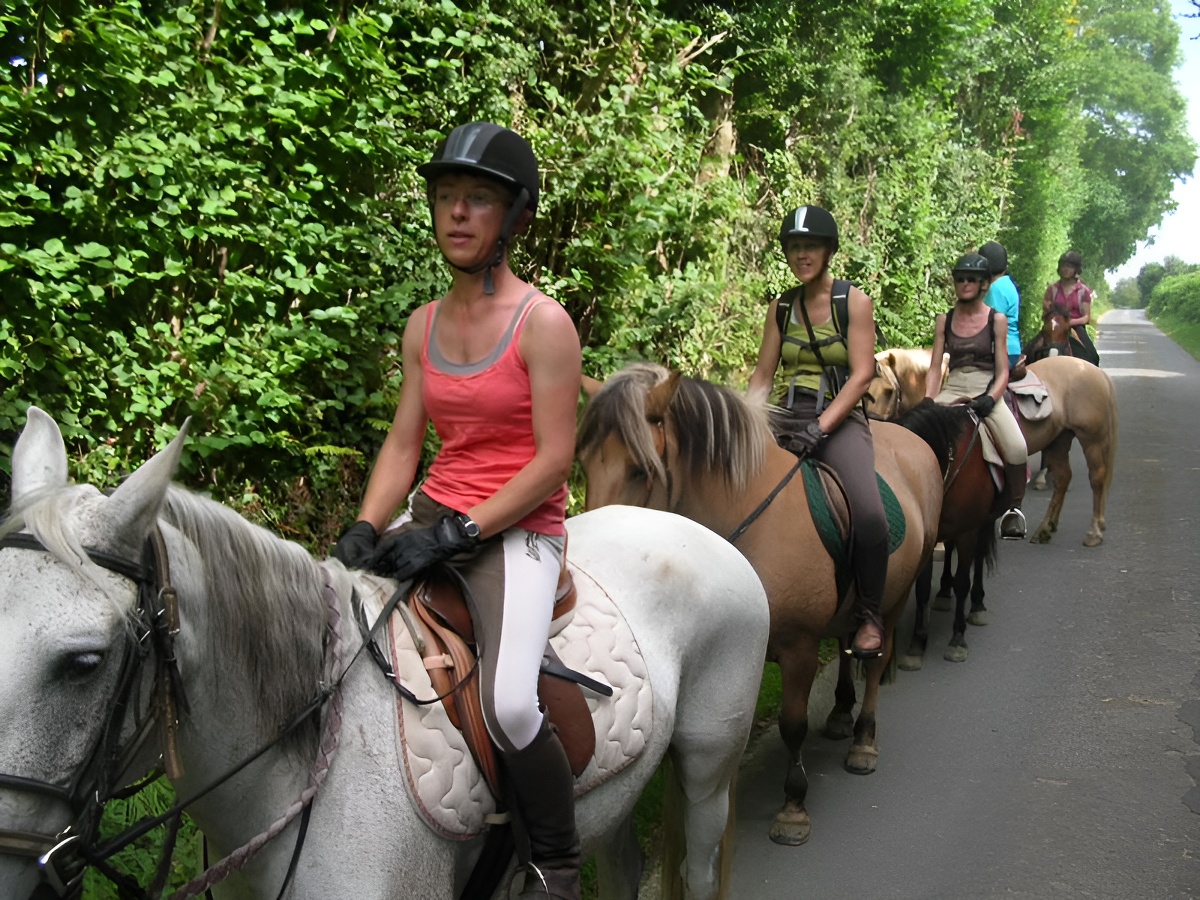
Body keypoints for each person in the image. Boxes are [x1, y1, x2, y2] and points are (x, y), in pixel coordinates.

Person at [333, 122, 584, 899]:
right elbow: (405, 445)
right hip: (433, 518)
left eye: (478, 199)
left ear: (516, 217)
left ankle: (557, 861)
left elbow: (553, 461)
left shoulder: (544, 323)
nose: (457, 213)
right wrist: (366, 528)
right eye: (446, 197)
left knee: (510, 703)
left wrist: (463, 530)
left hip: (518, 533)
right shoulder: (423, 324)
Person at [747, 205, 889, 659]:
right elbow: (763, 376)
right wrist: (745, 422)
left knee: (869, 514)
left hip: (839, 417)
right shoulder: (782, 306)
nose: (801, 254)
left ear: (828, 251)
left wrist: (820, 428)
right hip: (782, 414)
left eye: (810, 246)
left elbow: (863, 374)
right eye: (794, 247)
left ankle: (868, 613)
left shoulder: (854, 303)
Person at [926, 253, 1028, 539]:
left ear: (984, 284)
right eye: (960, 278)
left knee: (1017, 446)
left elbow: (1002, 371)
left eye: (972, 279)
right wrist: (928, 400)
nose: (965, 284)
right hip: (953, 385)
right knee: (920, 437)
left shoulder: (996, 320)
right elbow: (935, 368)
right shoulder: (943, 320)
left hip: (986, 387)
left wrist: (991, 398)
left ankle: (1013, 510)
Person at [1042, 250, 1100, 365]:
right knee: (1030, 350)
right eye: (1063, 266)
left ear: (1076, 269)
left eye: (1069, 266)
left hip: (1075, 328)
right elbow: (1045, 312)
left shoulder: (1083, 291)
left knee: (1092, 355)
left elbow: (1086, 318)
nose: (1065, 269)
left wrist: (1068, 323)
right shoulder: (1052, 289)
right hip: (1054, 328)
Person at [978, 240, 1022, 370]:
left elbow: (989, 323)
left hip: (1000, 350)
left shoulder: (996, 289)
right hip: (1011, 348)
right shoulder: (1007, 283)